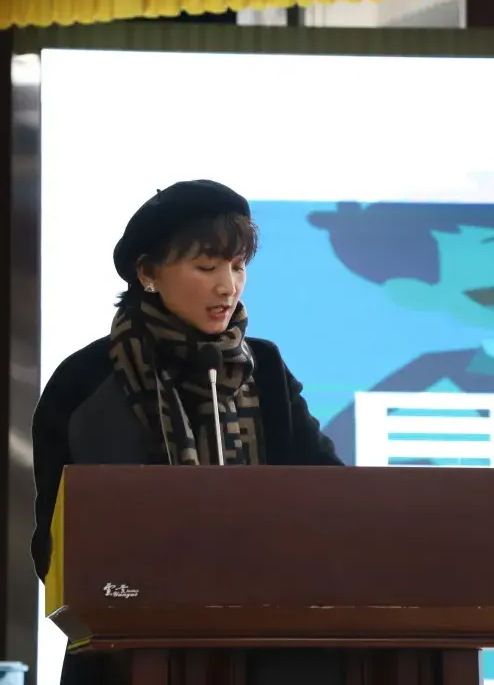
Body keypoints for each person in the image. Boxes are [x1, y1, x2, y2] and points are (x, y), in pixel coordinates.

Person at [31, 179, 344, 685]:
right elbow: (53, 540)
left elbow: (333, 495)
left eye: (238, 266)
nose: (228, 286)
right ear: (147, 272)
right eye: (206, 267)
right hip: (128, 650)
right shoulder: (86, 379)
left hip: (267, 646)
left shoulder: (265, 367)